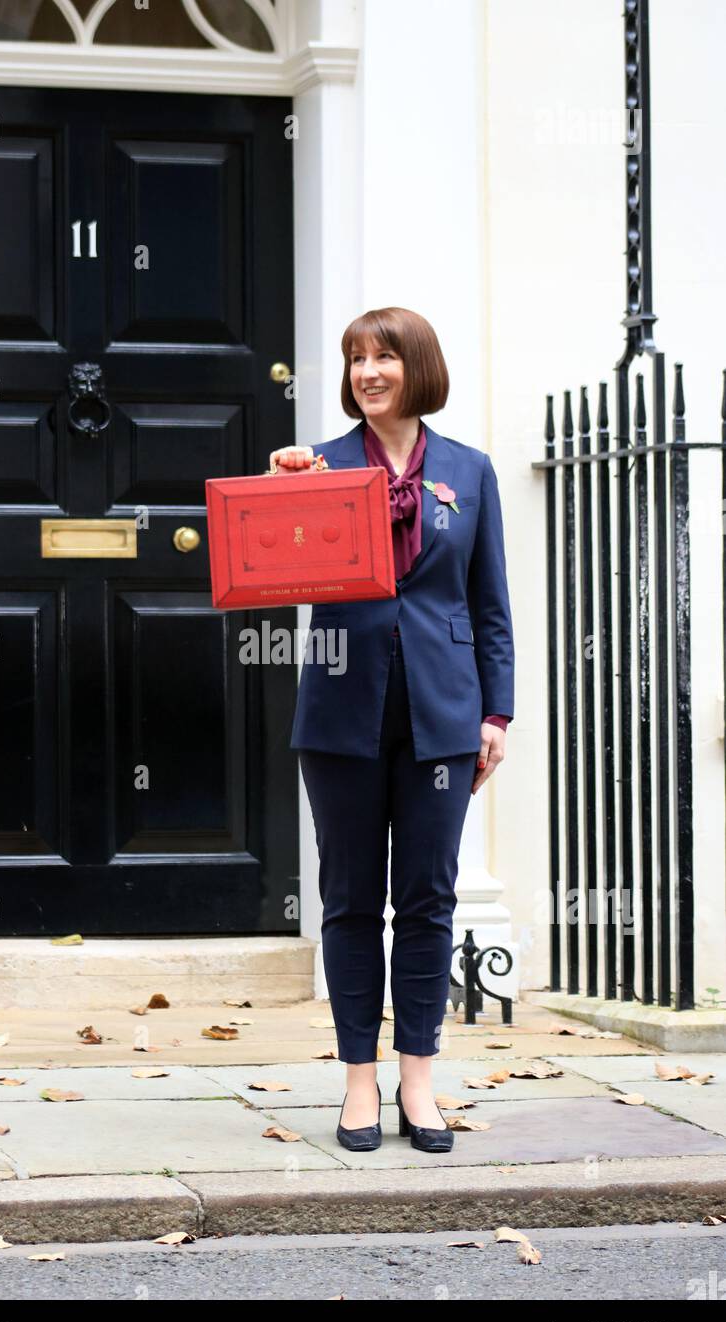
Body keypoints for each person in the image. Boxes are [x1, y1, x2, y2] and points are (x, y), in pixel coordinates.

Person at [268, 306, 514, 1153]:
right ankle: (358, 1084)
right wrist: (283, 494)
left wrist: (495, 711)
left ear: (417, 366)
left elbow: (489, 607)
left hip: (443, 713)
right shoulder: (318, 466)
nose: (368, 371)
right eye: (355, 358)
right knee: (348, 900)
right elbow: (271, 567)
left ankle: (419, 1082)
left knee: (427, 898)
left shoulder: (470, 472)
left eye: (384, 357)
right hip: (341, 711)